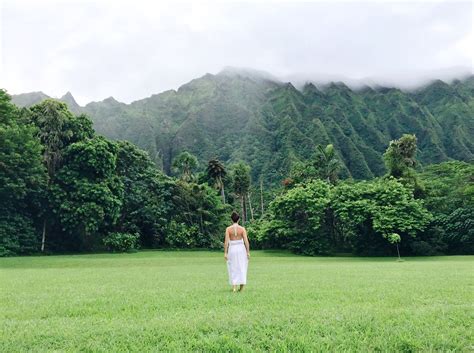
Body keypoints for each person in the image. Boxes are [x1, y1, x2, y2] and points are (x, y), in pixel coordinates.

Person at [224, 211, 250, 292]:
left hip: (232, 249)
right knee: (242, 266)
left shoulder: (228, 229)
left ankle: (234, 287)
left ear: (231, 220)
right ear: (238, 219)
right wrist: (248, 251)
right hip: (241, 249)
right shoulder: (242, 229)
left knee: (233, 267)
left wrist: (225, 252)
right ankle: (241, 288)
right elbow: (246, 241)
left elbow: (226, 242)